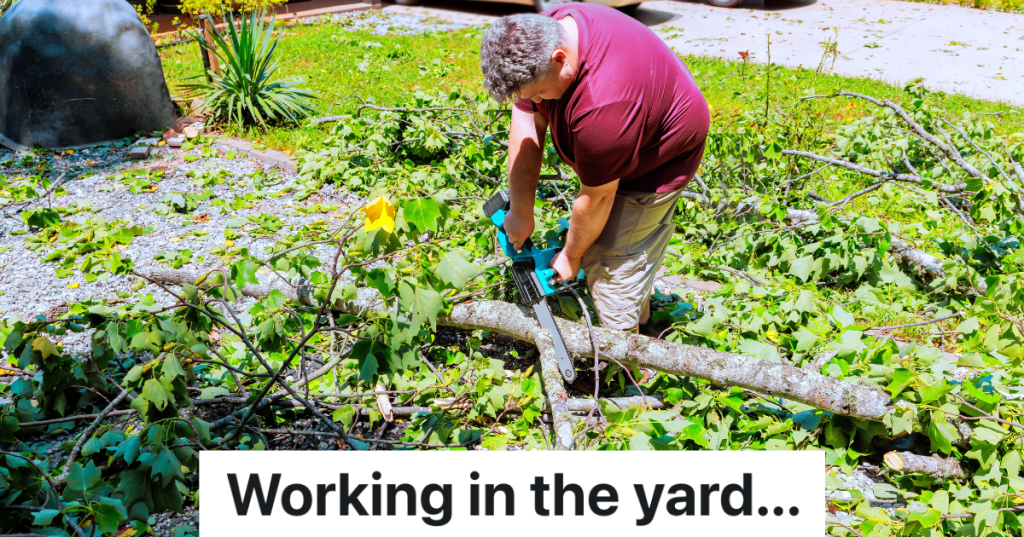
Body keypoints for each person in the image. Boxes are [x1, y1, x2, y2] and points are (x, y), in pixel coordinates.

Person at [479, 4, 710, 335]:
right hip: (622, 129)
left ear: (559, 59)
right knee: (601, 239)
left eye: (542, 92)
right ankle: (640, 314)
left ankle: (628, 366)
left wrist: (572, 257)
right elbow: (527, 123)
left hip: (660, 155)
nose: (540, 100)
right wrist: (521, 210)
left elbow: (598, 198)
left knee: (608, 262)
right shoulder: (543, 32)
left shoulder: (604, 106)